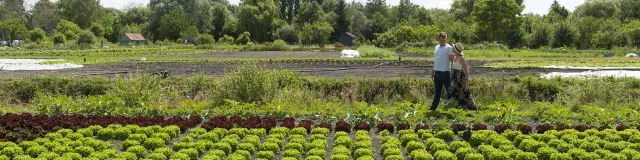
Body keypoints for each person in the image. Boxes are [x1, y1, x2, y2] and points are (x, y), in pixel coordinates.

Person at [447, 43, 478, 111]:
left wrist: (467, 82)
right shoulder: (455, 57)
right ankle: (457, 108)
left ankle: (472, 108)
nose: (452, 49)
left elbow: (466, 71)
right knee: (453, 92)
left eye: (453, 48)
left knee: (464, 93)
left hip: (460, 79)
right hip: (455, 78)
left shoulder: (461, 58)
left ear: (455, 50)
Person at [429, 32, 454, 111]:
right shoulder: (436, 47)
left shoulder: (449, 48)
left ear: (446, 39)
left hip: (445, 72)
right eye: (441, 39)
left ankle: (450, 108)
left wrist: (452, 73)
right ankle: (433, 108)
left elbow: (452, 61)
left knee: (449, 91)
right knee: (437, 91)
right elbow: (436, 61)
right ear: (439, 39)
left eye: (444, 39)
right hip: (437, 72)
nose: (443, 40)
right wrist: (433, 72)